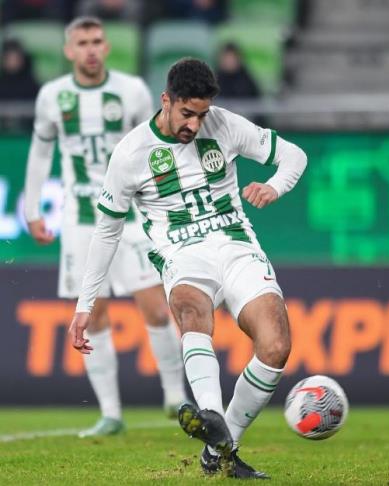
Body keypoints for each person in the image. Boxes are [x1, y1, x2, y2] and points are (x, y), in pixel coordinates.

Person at [68, 57, 307, 479]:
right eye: (186, 113)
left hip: (237, 247)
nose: (195, 124)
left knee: (276, 347)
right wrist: (85, 304)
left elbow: (293, 156)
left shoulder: (226, 125)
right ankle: (211, 414)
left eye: (202, 114)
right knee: (193, 315)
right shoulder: (130, 154)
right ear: (166, 100)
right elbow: (106, 233)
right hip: (182, 254)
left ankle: (219, 447)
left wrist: (273, 186)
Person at [22, 16, 188, 438]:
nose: (91, 49)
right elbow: (41, 153)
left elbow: (153, 145)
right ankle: (111, 413)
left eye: (97, 41)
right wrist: (32, 206)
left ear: (107, 47)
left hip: (130, 217)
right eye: (83, 42)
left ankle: (174, 396)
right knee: (92, 315)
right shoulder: (52, 96)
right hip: (80, 219)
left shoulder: (131, 90)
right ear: (69, 50)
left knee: (154, 306)